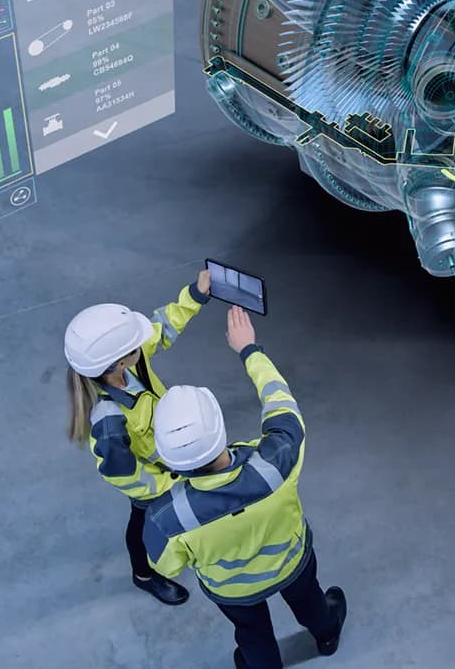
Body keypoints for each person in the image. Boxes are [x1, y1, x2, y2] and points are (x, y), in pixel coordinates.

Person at [144, 307, 348, 668]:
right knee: (310, 600)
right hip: (291, 562)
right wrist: (249, 350)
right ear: (220, 428)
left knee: (251, 633)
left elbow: (167, 565)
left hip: (233, 591)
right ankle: (327, 633)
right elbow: (281, 404)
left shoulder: (166, 517)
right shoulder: (276, 460)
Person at [64, 271, 212, 606]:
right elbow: (125, 476)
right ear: (117, 363)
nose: (143, 346)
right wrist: (166, 486)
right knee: (144, 521)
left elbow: (162, 328)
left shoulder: (126, 361)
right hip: (154, 481)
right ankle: (143, 574)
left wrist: (196, 295)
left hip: (170, 460)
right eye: (135, 347)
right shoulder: (108, 421)